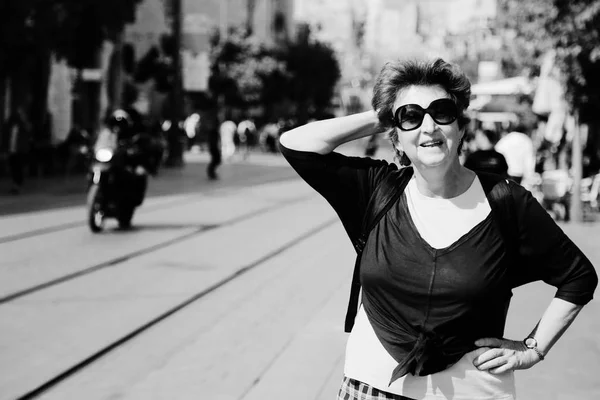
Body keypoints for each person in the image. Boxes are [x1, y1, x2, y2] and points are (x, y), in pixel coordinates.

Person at [278, 58, 598, 400]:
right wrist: (386, 114)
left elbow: (578, 276)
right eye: (412, 117)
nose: (428, 126)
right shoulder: (377, 189)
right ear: (396, 138)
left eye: (442, 112)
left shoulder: (505, 200)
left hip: (473, 392)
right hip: (371, 389)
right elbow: (297, 145)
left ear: (461, 128)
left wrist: (532, 349)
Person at [3, 107, 31, 194]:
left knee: (18, 168)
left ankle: (17, 186)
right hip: (12, 150)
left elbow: (29, 129)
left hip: (20, 150)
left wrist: (23, 118)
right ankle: (16, 185)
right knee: (13, 167)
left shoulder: (23, 124)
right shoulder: (10, 125)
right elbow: (6, 137)